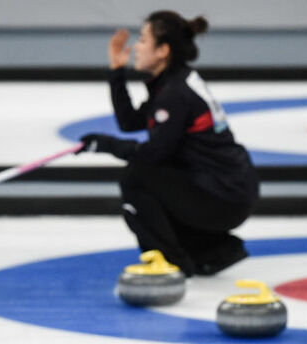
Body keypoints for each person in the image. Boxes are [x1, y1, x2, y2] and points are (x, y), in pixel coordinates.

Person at [77, 11, 259, 277]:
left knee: (136, 178)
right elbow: (130, 122)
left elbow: (153, 154)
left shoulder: (174, 94)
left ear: (163, 50)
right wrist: (117, 71)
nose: (136, 47)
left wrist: (105, 144)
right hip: (229, 190)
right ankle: (213, 250)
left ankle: (173, 265)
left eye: (143, 40)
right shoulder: (174, 82)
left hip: (223, 195)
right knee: (156, 177)